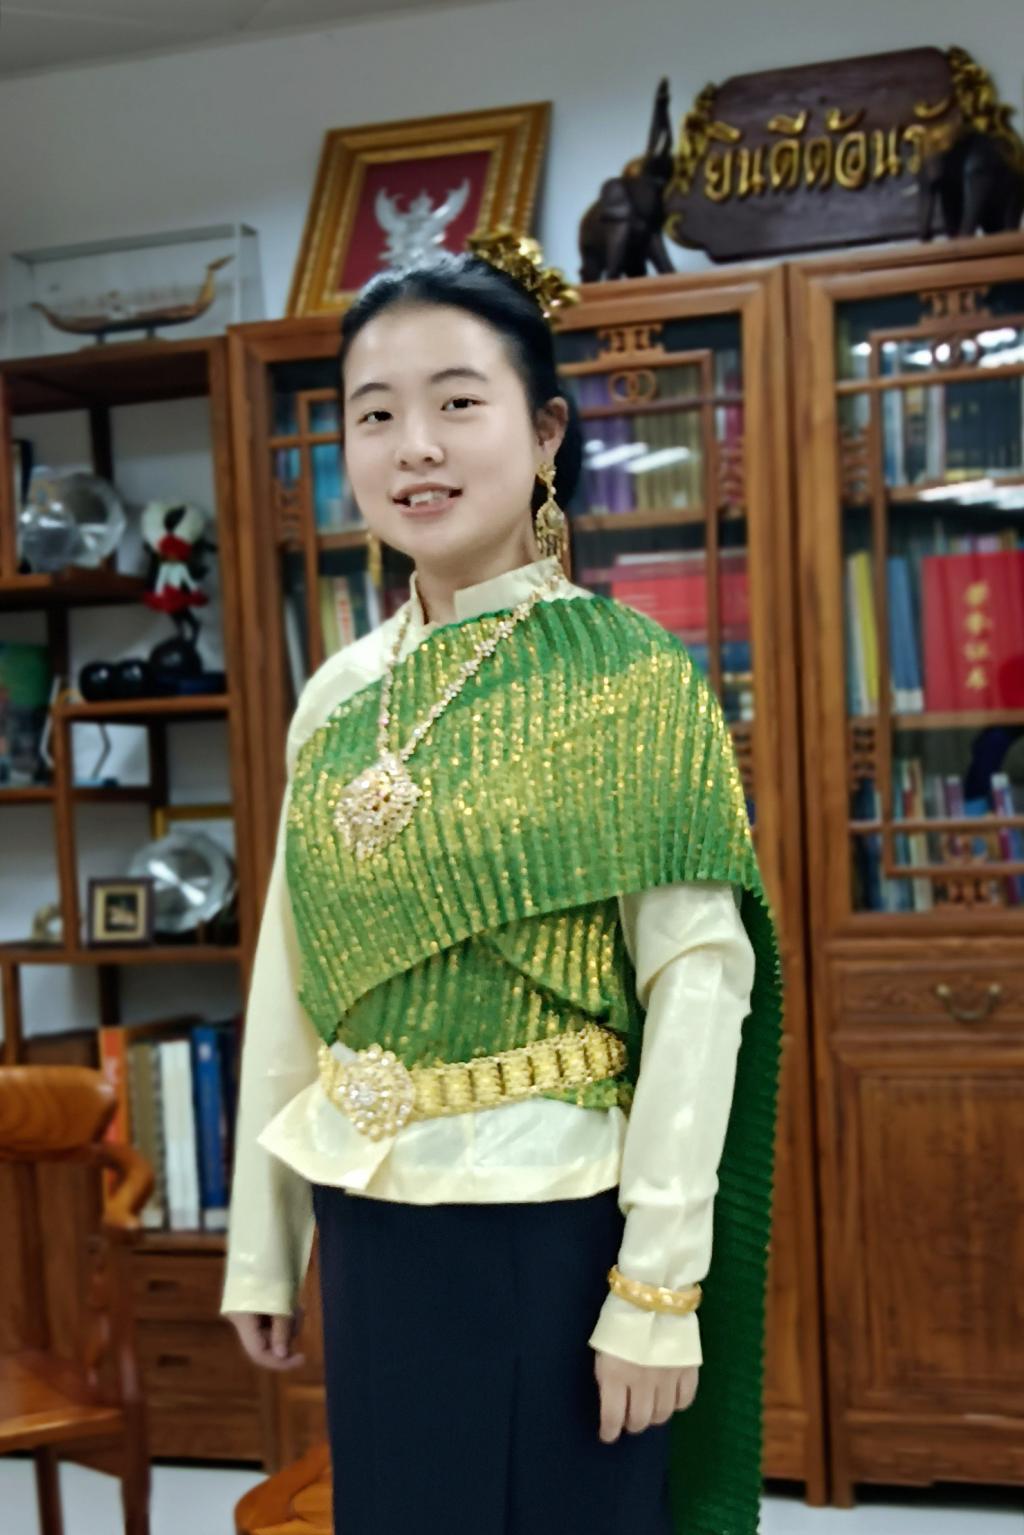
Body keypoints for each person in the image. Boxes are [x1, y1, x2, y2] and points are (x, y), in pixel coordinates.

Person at [222, 231, 782, 1535]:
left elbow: (700, 985)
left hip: (560, 1231)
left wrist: (658, 1288)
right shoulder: (337, 695)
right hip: (371, 1219)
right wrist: (266, 1238)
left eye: (457, 403)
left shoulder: (628, 675)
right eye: (375, 413)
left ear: (543, 435)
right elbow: (290, 973)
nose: (413, 447)